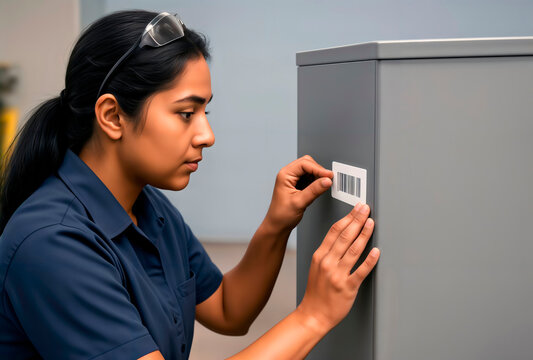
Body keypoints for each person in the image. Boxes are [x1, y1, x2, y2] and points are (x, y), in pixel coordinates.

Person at [0, 10, 380, 360]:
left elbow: (229, 310)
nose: (207, 135)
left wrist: (276, 226)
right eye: (186, 114)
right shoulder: (54, 242)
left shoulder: (148, 207)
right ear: (112, 116)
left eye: (205, 111)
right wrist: (313, 316)